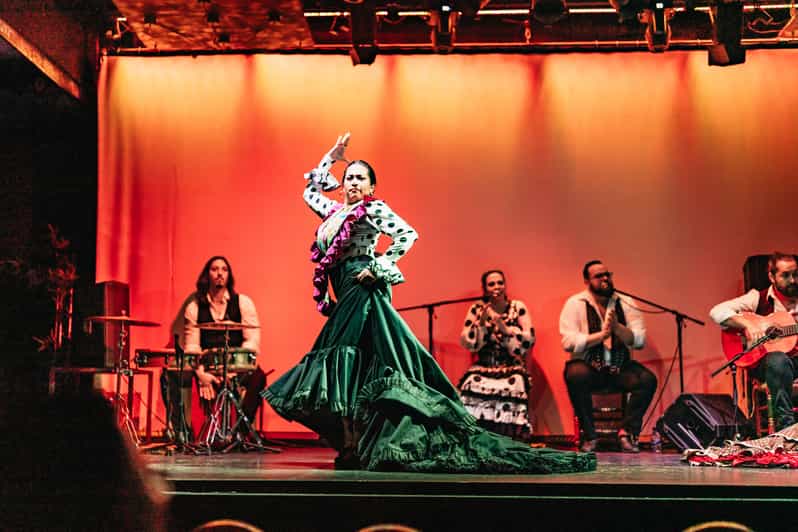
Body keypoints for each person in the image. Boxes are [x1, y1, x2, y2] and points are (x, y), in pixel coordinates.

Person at [263, 133, 595, 473]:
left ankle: (353, 444)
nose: (352, 183)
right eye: (349, 178)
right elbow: (309, 192)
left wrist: (377, 267)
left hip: (362, 292)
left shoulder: (372, 208)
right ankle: (353, 444)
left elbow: (407, 234)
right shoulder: (334, 212)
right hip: (345, 291)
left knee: (345, 360)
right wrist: (332, 156)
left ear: (372, 187)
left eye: (360, 178)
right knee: (353, 367)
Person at [559, 260, 656, 453]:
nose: (605, 279)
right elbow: (568, 342)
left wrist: (618, 329)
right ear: (587, 281)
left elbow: (638, 340)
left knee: (647, 379)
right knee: (575, 373)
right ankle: (590, 436)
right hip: (590, 367)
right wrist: (600, 336)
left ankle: (626, 433)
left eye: (607, 274)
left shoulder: (626, 302)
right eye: (598, 276)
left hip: (619, 367)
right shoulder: (575, 303)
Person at [172, 256, 266, 439]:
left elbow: (252, 341)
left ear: (229, 275)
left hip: (235, 366)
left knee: (258, 377)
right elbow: (192, 346)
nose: (220, 273)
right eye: (215, 269)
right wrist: (201, 376)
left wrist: (235, 368)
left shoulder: (243, 303)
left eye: (224, 269)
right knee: (173, 374)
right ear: (207, 275)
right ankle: (184, 434)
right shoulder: (194, 306)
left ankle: (240, 431)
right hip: (206, 367)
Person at [709, 251, 798, 431]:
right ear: (771, 276)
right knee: (778, 359)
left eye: (796, 274)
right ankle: (787, 428)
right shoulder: (758, 297)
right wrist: (747, 326)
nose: (793, 280)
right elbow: (717, 312)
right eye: (786, 275)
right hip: (766, 363)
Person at [458, 270, 534, 440]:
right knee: (470, 384)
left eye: (500, 283)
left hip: (510, 365)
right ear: (485, 288)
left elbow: (527, 341)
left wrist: (505, 328)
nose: (497, 287)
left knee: (516, 383)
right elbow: (469, 342)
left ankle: (511, 437)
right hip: (484, 366)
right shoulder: (477, 308)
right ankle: (476, 437)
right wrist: (483, 325)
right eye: (491, 284)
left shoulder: (517, 307)